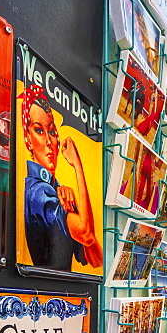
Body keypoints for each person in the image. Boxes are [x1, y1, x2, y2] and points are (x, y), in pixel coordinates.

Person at [21, 84, 103, 271]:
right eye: (39, 131)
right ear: (28, 138)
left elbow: (97, 259)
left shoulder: (55, 191)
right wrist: (77, 166)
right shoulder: (38, 192)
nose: (49, 142)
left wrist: (72, 204)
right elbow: (86, 233)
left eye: (52, 132)